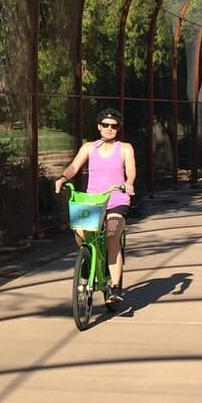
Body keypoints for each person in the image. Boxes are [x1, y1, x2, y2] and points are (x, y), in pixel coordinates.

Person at [54, 107, 136, 305]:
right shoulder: (89, 148)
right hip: (93, 202)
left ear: (118, 129)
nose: (109, 129)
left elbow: (131, 170)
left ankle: (115, 287)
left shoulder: (125, 148)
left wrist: (129, 182)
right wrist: (63, 178)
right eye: (105, 125)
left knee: (112, 235)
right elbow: (74, 166)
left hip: (117, 202)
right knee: (80, 232)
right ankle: (88, 260)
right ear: (99, 126)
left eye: (114, 126)